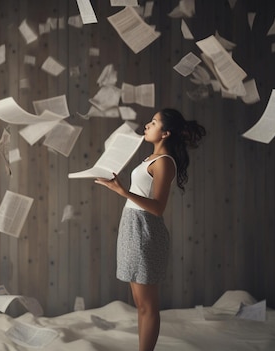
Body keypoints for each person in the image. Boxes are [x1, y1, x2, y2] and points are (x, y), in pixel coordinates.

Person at [95, 108, 205, 351]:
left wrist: (123, 191)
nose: (147, 125)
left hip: (144, 230)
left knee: (147, 306)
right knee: (140, 304)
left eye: (153, 122)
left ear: (165, 133)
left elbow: (158, 208)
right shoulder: (150, 159)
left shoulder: (164, 162)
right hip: (132, 227)